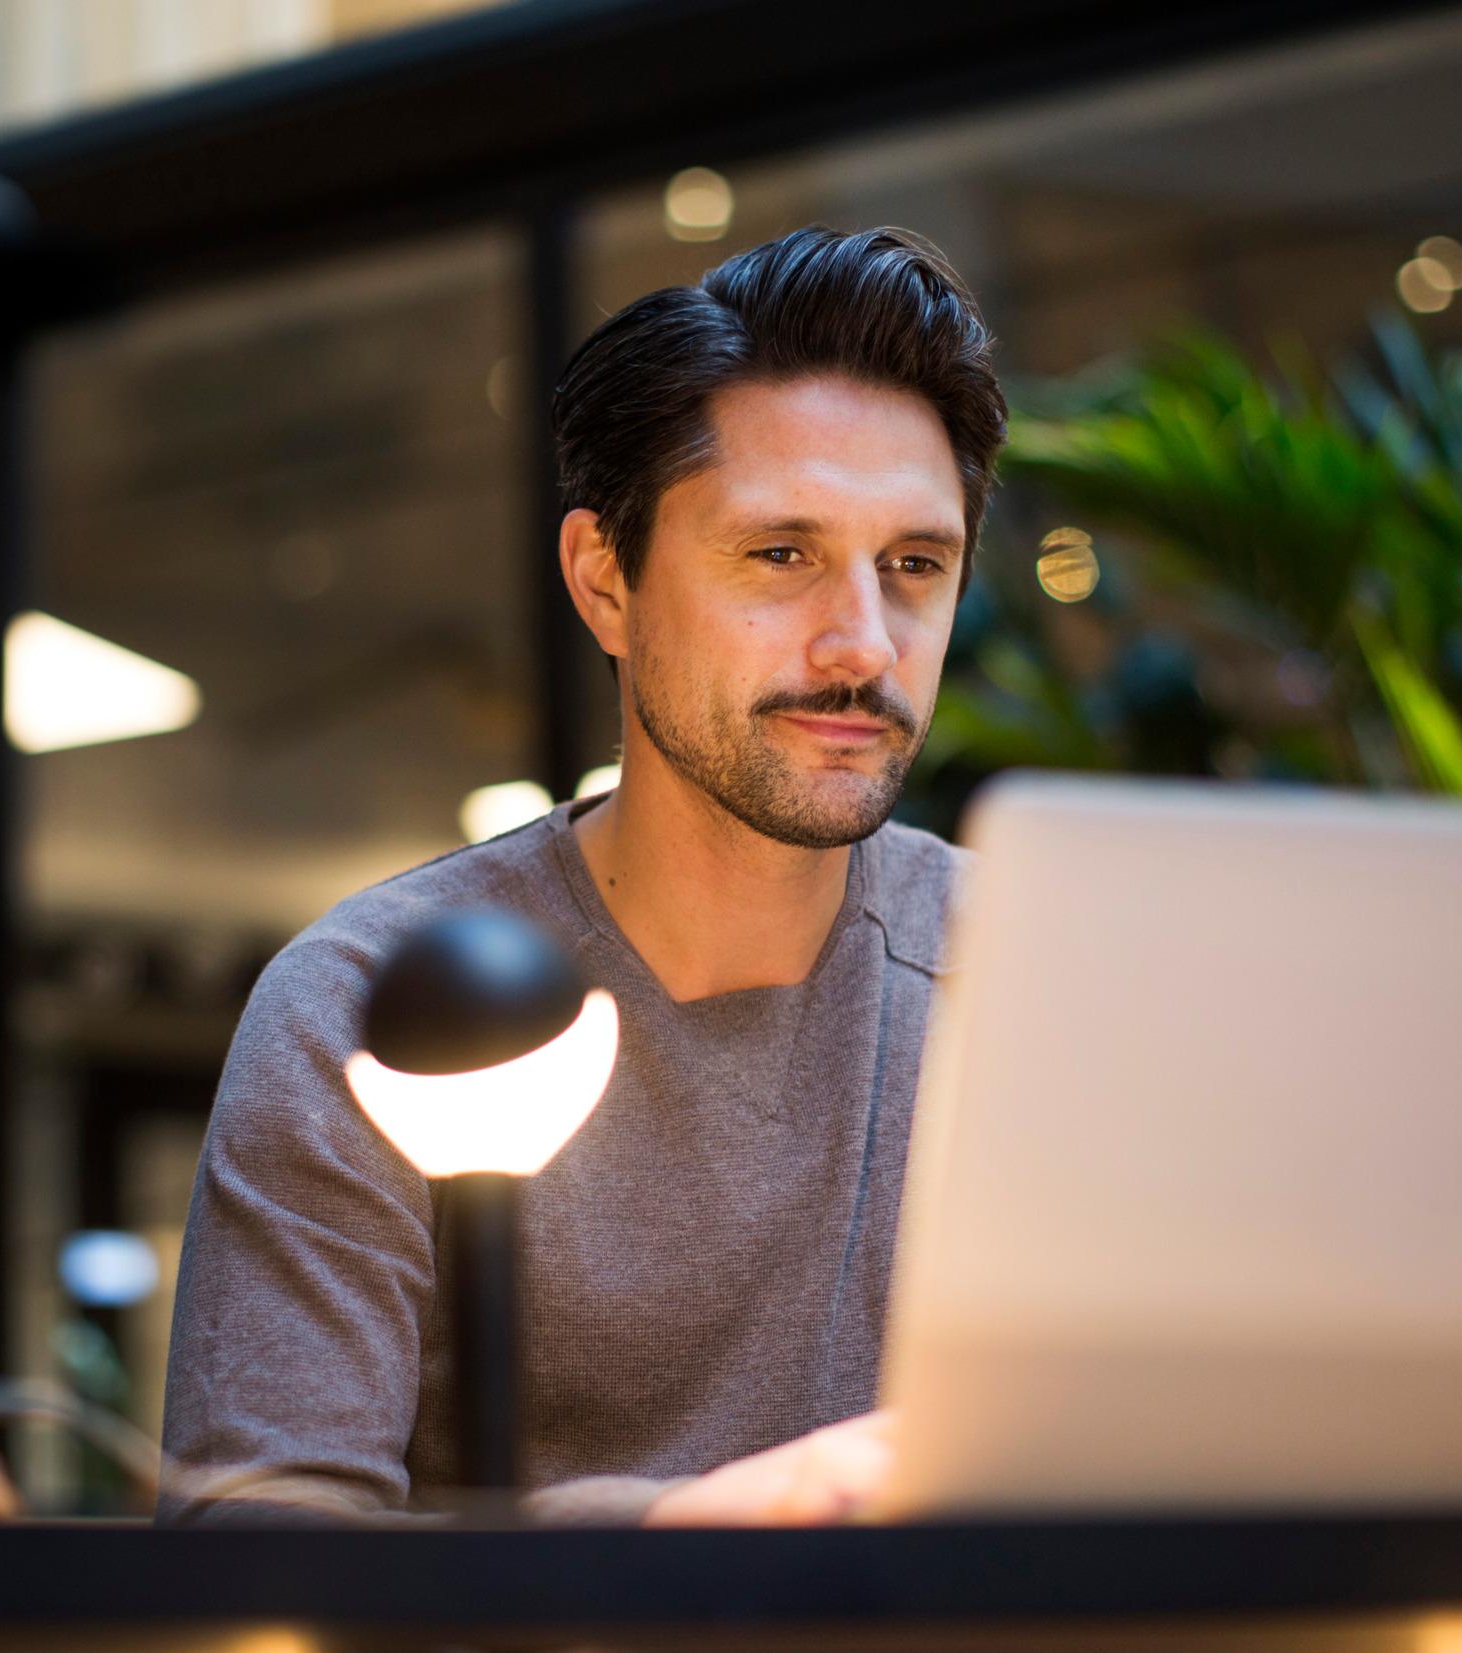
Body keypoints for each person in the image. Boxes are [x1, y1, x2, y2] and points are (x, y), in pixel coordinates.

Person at [159, 225, 1005, 1526]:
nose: (863, 644)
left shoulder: (1028, 978)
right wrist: (669, 1537)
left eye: (914, 566)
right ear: (607, 582)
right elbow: (264, 1559)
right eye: (779, 554)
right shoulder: (367, 1006)